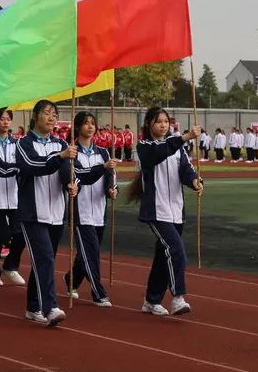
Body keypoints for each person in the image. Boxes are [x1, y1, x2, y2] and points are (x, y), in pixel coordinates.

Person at [127, 106, 202, 316]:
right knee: (176, 249)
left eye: (166, 122)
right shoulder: (145, 146)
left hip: (176, 210)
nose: (163, 125)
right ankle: (178, 297)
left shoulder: (177, 147)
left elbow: (186, 169)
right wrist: (184, 137)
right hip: (156, 210)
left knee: (163, 255)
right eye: (159, 121)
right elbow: (158, 153)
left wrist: (195, 181)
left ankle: (151, 300)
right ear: (148, 123)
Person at [15, 99, 76, 327]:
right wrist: (60, 157)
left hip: (56, 212)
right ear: (35, 116)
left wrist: (72, 183)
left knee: (44, 260)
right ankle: (50, 307)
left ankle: (33, 307)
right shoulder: (23, 144)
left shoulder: (61, 144)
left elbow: (67, 171)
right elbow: (32, 165)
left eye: (54, 114)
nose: (51, 118)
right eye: (47, 113)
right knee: (45, 258)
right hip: (33, 212)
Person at [65, 111, 116, 307]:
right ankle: (98, 292)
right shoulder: (72, 152)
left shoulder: (102, 152)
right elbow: (81, 175)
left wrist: (112, 188)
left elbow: (110, 175)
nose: (90, 126)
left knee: (86, 253)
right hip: (81, 211)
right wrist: (102, 167)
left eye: (93, 123)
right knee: (92, 253)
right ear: (78, 127)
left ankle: (71, 279)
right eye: (86, 123)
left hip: (99, 210)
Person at [0, 108, 27, 287]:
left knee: (21, 233)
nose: (6, 122)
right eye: (1, 119)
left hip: (15, 196)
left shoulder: (17, 143)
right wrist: (17, 167)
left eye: (8, 119)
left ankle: (10, 265)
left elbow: (24, 164)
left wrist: (19, 167)